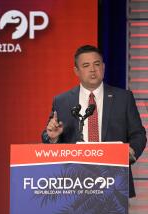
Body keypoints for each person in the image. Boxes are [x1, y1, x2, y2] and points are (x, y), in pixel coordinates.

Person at [41, 44, 147, 198]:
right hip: (73, 182)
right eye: (86, 65)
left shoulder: (123, 98)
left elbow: (138, 134)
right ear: (76, 71)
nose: (92, 69)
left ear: (103, 67)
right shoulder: (62, 101)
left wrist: (131, 152)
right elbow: (47, 136)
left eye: (97, 64)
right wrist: (53, 137)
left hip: (114, 179)